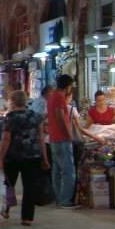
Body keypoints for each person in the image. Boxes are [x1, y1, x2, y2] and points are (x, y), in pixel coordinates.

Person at [0, 90, 49, 225]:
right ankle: (27, 217)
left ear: (13, 102)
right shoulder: (36, 117)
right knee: (29, 187)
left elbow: (6, 140)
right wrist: (45, 158)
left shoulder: (10, 117)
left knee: (9, 184)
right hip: (33, 155)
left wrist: (0, 158)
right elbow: (41, 138)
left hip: (13, 156)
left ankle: (6, 209)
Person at [47, 74, 79, 209]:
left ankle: (59, 198)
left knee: (57, 170)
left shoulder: (52, 96)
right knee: (68, 171)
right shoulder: (59, 97)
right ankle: (65, 200)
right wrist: (68, 134)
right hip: (62, 138)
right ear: (68, 86)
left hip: (54, 138)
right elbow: (60, 116)